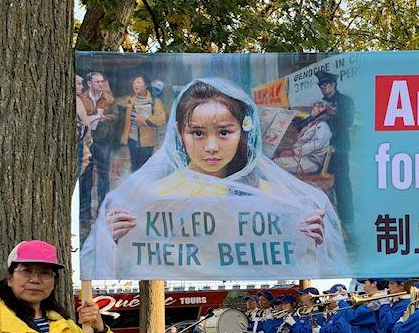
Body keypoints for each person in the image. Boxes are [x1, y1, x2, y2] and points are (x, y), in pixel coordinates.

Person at [80, 77, 346, 279]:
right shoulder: (148, 197)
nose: (211, 147)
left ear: (243, 131)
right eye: (197, 133)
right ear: (179, 133)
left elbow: (306, 270)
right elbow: (110, 268)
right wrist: (111, 241)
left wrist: (312, 242)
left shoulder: (277, 198)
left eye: (224, 133)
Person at [78, 71, 119, 229]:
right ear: (89, 83)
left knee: (103, 175)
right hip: (87, 140)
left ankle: (102, 212)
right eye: (97, 82)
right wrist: (91, 116)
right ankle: (85, 215)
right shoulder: (82, 99)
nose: (100, 84)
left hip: (102, 140)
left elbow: (116, 116)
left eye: (102, 81)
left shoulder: (109, 99)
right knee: (85, 177)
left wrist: (105, 118)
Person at [315, 70, 355, 226]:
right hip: (321, 150)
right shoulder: (321, 103)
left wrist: (333, 114)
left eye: (325, 84)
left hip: (339, 149)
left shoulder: (345, 101)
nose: (323, 87)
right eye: (320, 85)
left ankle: (347, 221)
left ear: (333, 84)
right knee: (321, 185)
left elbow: (348, 121)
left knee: (342, 185)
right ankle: (330, 221)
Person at [120, 74, 166, 172]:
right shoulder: (130, 100)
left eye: (138, 83)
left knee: (145, 169)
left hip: (147, 141)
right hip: (132, 139)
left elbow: (162, 119)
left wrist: (144, 120)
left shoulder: (154, 101)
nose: (135, 85)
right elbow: (116, 101)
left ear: (146, 85)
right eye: (134, 83)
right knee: (134, 168)